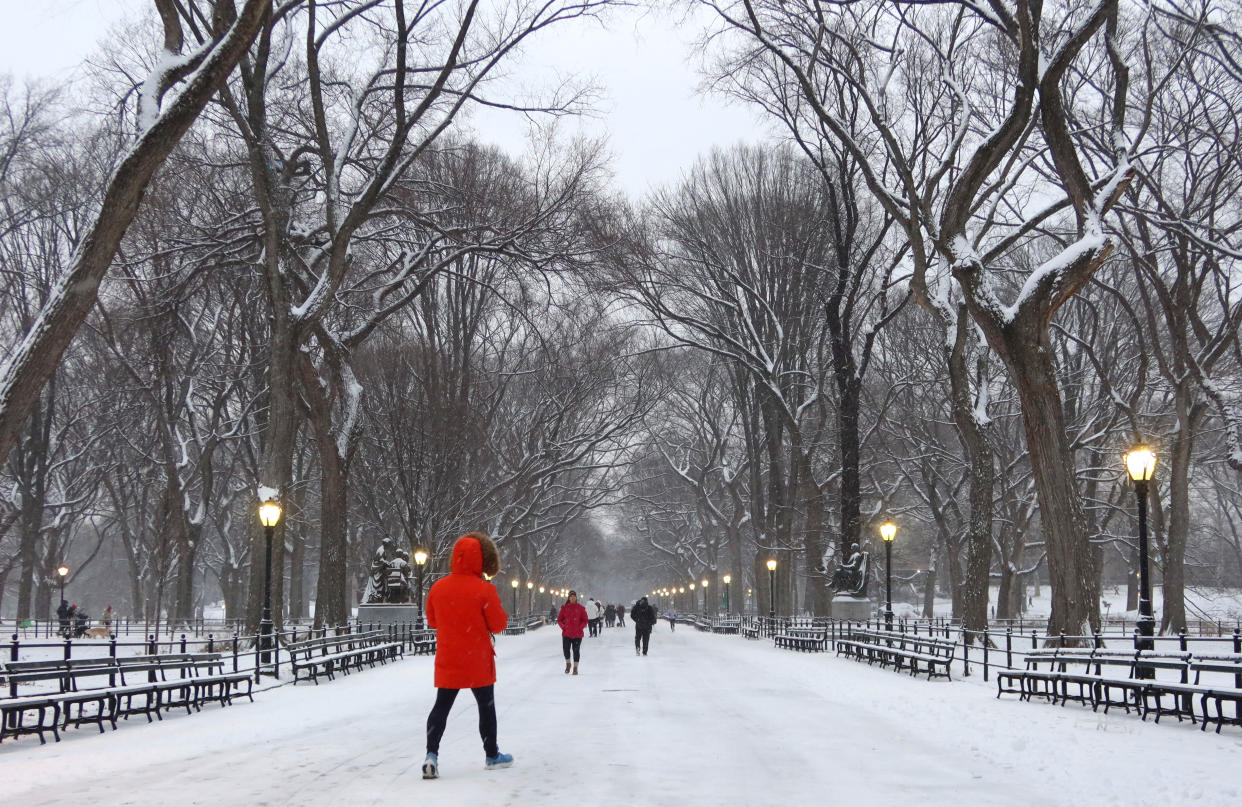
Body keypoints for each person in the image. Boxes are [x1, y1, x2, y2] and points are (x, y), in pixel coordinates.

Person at [421, 531, 513, 779]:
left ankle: (432, 755)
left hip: (449, 657)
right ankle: (492, 754)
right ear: (479, 559)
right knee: (486, 707)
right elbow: (498, 625)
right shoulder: (484, 589)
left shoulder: (438, 588)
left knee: (441, 707)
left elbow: (432, 620)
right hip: (477, 659)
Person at [557, 590, 589, 675]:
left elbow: (585, 620)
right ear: (569, 597)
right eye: (571, 596)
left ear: (576, 597)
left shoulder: (580, 608)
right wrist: (563, 627)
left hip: (577, 634)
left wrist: (580, 627)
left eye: (574, 596)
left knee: (576, 650)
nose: (572, 597)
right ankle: (568, 663)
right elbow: (559, 619)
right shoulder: (564, 608)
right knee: (566, 649)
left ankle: (575, 667)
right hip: (566, 633)